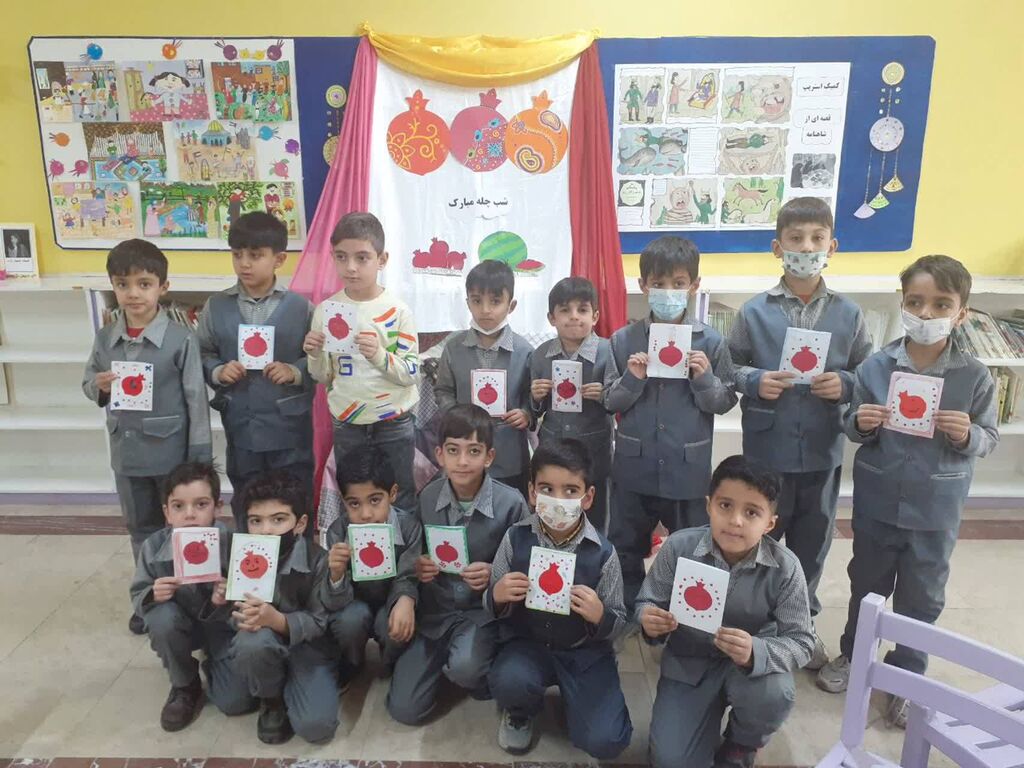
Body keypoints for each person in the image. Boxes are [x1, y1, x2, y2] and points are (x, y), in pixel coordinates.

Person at [816, 255, 1000, 727]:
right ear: (902, 304)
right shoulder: (876, 366)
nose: (926, 313)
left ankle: (907, 674)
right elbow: (851, 425)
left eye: (941, 305)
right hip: (877, 502)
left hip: (935, 510)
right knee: (867, 584)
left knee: (922, 596)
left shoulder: (974, 376)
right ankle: (855, 655)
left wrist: (967, 434)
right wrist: (861, 421)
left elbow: (989, 437)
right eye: (915, 302)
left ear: (961, 313)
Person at [728, 197, 873, 669]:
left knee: (812, 545)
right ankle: (753, 622)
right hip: (767, 453)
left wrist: (845, 383)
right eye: (795, 239)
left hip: (821, 450)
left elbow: (868, 372)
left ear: (832, 246)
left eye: (816, 239)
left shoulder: (849, 314)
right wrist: (755, 380)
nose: (806, 248)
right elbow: (730, 366)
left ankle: (801, 626)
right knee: (759, 541)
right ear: (778, 248)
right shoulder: (754, 311)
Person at [637, 455, 814, 768]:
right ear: (709, 506)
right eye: (725, 506)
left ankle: (741, 742)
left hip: (750, 672)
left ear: (770, 523)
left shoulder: (786, 567)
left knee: (775, 694)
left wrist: (755, 652)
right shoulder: (678, 547)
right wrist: (649, 620)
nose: (735, 521)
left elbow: (801, 641)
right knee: (670, 761)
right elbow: (646, 602)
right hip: (688, 663)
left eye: (751, 512)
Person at [82, 239, 211, 635]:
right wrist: (100, 386)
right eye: (123, 285)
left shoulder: (180, 338)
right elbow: (88, 381)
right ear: (113, 287)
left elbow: (196, 399)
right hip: (127, 454)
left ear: (163, 287)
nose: (133, 294)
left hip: (172, 457)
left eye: (144, 284)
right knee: (140, 528)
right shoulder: (105, 338)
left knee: (182, 528)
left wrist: (199, 458)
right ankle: (147, 597)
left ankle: (190, 596)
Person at [605, 236, 737, 610]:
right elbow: (609, 401)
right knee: (625, 547)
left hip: (687, 470)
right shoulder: (623, 339)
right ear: (643, 285)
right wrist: (633, 379)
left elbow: (724, 401)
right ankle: (627, 613)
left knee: (693, 549)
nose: (668, 292)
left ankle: (683, 617)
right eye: (659, 283)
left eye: (678, 283)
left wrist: (704, 378)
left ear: (694, 286)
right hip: (634, 468)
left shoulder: (711, 342)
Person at [487, 439, 633, 758]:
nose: (558, 500)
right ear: (531, 492)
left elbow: (619, 620)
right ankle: (520, 710)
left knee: (607, 740)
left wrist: (600, 615)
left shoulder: (604, 553)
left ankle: (579, 699)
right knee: (509, 680)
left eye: (570, 490)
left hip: (584, 652)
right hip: (528, 643)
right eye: (546, 489)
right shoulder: (515, 537)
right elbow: (493, 597)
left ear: (588, 497)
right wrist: (497, 595)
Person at [387, 404, 529, 725]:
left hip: (480, 614)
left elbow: (527, 564)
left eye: (473, 451)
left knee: (467, 669)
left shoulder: (511, 503)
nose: (462, 461)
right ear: (440, 454)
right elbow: (413, 553)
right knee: (405, 711)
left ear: (489, 457)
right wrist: (417, 571)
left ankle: (475, 666)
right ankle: (444, 661)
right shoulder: (427, 497)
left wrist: (495, 573)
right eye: (453, 450)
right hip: (435, 612)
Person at [196, 211, 314, 532]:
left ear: (279, 259)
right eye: (237, 255)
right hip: (242, 427)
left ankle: (299, 558)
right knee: (247, 500)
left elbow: (319, 359)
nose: (244, 264)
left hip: (290, 429)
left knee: (295, 499)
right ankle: (250, 560)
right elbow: (203, 353)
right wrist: (218, 371)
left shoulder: (302, 308)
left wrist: (295, 371)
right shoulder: (215, 306)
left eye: (255, 255)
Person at [305, 212, 420, 512]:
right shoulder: (327, 310)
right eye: (341, 257)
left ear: (382, 259)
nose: (351, 267)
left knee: (400, 494)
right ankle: (358, 543)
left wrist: (379, 355)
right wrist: (314, 354)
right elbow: (323, 376)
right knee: (354, 496)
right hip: (348, 422)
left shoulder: (398, 311)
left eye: (362, 258)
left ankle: (403, 543)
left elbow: (411, 373)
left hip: (393, 422)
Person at [129, 461, 251, 731]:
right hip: (180, 625)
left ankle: (215, 662)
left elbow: (251, 602)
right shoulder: (153, 547)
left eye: (201, 504)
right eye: (178, 506)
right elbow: (138, 595)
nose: (190, 515)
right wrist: (152, 594)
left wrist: (226, 599)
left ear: (218, 508)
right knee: (161, 618)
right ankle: (185, 684)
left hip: (223, 629)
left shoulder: (235, 545)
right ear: (166, 512)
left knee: (236, 702)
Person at [229, 470, 342, 744]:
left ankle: (309, 682)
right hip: (260, 644)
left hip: (309, 649)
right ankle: (271, 700)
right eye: (256, 521)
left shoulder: (319, 560)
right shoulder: (241, 555)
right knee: (237, 687)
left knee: (317, 727)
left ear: (300, 523)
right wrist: (226, 602)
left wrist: (277, 620)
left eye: (278, 519)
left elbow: (319, 622)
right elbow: (233, 620)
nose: (266, 530)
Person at [434, 260, 533, 495]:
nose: (486, 310)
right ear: (468, 302)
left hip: (509, 452)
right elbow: (443, 390)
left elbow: (532, 396)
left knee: (509, 506)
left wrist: (526, 413)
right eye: (477, 301)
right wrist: (456, 416)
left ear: (511, 305)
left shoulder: (524, 351)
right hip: (464, 451)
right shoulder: (453, 347)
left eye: (495, 301)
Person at [324, 447, 422, 680]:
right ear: (343, 502)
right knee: (350, 620)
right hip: (354, 602)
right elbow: (334, 601)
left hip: (392, 600)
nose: (366, 514)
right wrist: (336, 574)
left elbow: (408, 576)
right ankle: (352, 661)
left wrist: (405, 599)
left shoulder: (409, 528)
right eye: (354, 504)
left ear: (393, 494)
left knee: (394, 622)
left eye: (375, 500)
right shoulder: (337, 532)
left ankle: (391, 660)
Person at [528, 277, 615, 532]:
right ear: (551, 318)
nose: (574, 316)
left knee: (595, 513)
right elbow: (534, 411)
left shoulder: (609, 352)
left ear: (595, 316)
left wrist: (605, 395)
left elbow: (621, 402)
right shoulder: (540, 355)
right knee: (552, 510)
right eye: (565, 310)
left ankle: (594, 552)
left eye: (582, 310)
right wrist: (536, 397)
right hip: (552, 446)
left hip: (594, 450)